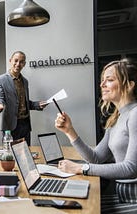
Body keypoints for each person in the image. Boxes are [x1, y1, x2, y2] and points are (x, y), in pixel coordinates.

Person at [55, 59, 137, 213]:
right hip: (122, 194)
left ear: (129, 85)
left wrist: (81, 168)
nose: (102, 85)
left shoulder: (135, 114)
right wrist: (69, 131)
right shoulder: (117, 118)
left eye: (110, 80)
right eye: (102, 80)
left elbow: (131, 168)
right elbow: (96, 158)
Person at [0, 51, 47, 146]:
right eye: (15, 61)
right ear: (10, 61)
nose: (18, 64)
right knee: (10, 156)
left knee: (26, 155)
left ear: (24, 64)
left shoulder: (25, 81)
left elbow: (24, 102)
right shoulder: (0, 80)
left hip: (25, 125)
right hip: (10, 126)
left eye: (21, 62)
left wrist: (38, 105)